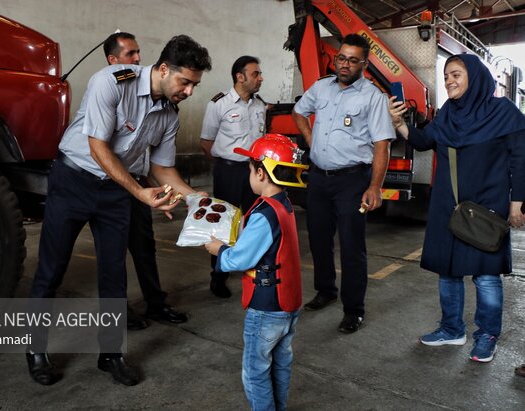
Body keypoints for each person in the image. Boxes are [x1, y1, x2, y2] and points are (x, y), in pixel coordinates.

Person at [26, 35, 211, 386]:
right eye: (185, 82)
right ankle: (35, 348)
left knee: (114, 276)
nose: (188, 91)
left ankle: (111, 354)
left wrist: (197, 199)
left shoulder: (169, 113)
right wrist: (140, 192)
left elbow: (163, 168)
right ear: (162, 69)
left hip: (115, 191)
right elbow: (98, 146)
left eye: (194, 85)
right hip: (74, 180)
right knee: (51, 268)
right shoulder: (111, 82)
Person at [390, 53, 525, 362]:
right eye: (447, 75)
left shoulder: (502, 111)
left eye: (456, 75)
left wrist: (517, 201)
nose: (449, 80)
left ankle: (487, 334)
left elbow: (521, 158)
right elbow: (424, 141)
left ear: (475, 77)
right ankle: (452, 329)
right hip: (447, 205)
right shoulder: (449, 112)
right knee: (447, 269)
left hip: (487, 206)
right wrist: (399, 123)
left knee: (486, 275)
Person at [292, 34, 395, 333]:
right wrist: (311, 141)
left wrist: (374, 186)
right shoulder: (322, 87)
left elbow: (381, 146)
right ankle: (325, 290)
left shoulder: (372, 97)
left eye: (352, 60)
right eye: (341, 58)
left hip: (352, 180)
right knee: (319, 238)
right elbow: (299, 112)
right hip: (319, 178)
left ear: (365, 63)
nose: (345, 65)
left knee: (352, 245)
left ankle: (354, 309)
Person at [205, 133, 308, 411]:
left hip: (266, 308)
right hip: (288, 304)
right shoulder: (283, 204)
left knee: (256, 371)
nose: (249, 174)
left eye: (250, 168)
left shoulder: (264, 214)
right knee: (280, 364)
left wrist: (217, 249)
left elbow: (240, 259)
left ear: (261, 172)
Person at [103, 31, 188, 329]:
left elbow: (158, 163)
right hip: (107, 184)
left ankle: (156, 303)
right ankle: (118, 311)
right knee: (111, 252)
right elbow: (102, 150)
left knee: (144, 246)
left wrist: (189, 196)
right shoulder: (115, 89)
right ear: (113, 61)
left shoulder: (166, 109)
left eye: (139, 53)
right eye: (130, 55)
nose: (138, 59)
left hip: (138, 183)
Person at [200, 55, 265, 298]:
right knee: (223, 224)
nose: (260, 78)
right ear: (240, 77)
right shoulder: (219, 104)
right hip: (228, 171)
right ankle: (218, 276)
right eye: (256, 74)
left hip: (254, 171)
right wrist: (224, 164)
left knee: (253, 222)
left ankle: (251, 269)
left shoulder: (260, 105)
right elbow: (206, 142)